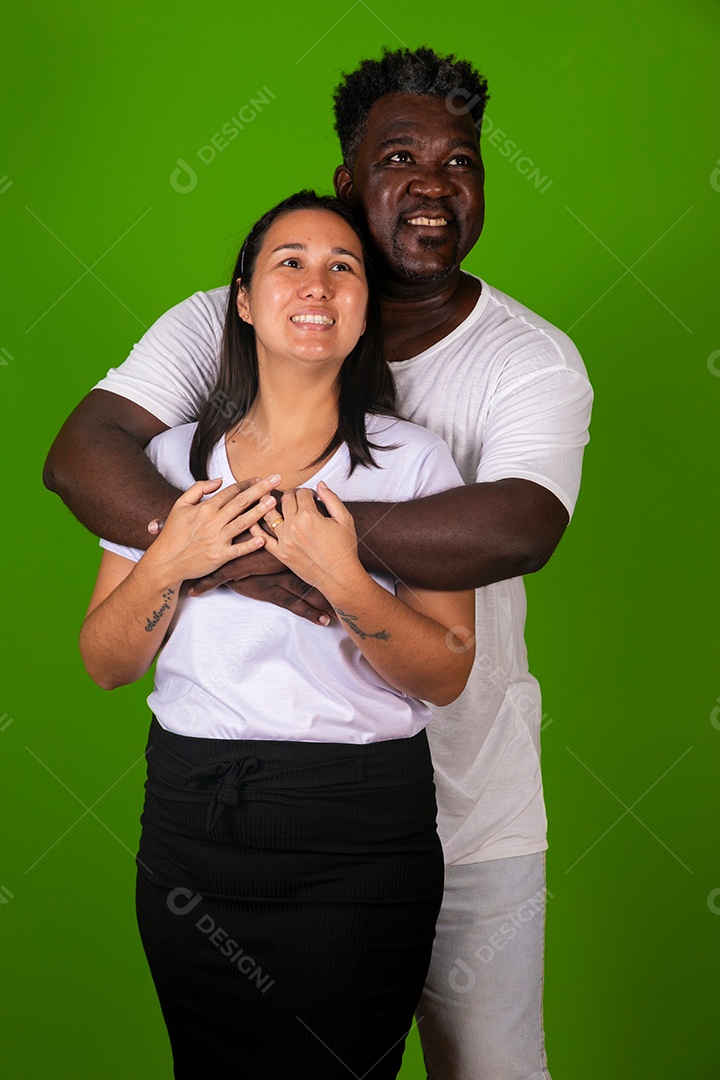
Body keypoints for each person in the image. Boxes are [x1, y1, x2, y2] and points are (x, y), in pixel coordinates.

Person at [46, 48, 593, 1080]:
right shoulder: (207, 346)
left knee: (491, 1069)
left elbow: (520, 527)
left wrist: (318, 553)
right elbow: (81, 458)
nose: (433, 186)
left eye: (460, 163)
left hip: (458, 805)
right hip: (212, 815)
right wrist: (214, 549)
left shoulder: (522, 364)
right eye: (400, 159)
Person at [79, 190, 476, 1079]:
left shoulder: (416, 463)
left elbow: (446, 673)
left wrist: (340, 575)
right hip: (194, 825)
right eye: (289, 262)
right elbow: (106, 662)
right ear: (245, 300)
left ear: (365, 307)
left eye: (344, 267)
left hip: (361, 838)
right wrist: (169, 559)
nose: (318, 283)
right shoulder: (167, 464)